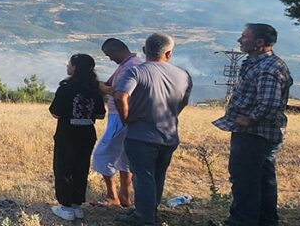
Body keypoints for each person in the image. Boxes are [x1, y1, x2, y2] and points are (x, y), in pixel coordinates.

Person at [213, 23, 293, 226]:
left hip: (254, 134)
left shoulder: (268, 67)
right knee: (263, 179)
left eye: (244, 37)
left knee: (244, 179)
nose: (240, 40)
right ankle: (265, 221)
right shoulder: (259, 63)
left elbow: (270, 102)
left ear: (259, 42)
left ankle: (242, 220)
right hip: (258, 134)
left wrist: (250, 119)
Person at [114, 33, 193, 226]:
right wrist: (171, 115)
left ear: (144, 50)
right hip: (169, 135)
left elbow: (120, 96)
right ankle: (149, 212)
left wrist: (126, 118)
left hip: (141, 135)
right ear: (169, 53)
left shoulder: (136, 72)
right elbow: (184, 101)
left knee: (143, 177)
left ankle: (144, 218)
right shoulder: (183, 75)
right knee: (158, 176)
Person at [49, 54, 106, 222]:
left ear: (75, 67)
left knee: (63, 168)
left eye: (70, 64)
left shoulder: (66, 87)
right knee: (81, 168)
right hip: (87, 133)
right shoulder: (94, 88)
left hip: (67, 133)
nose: (67, 66)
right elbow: (101, 114)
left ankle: (65, 207)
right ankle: (77, 205)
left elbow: (55, 112)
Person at [93, 38, 142, 207]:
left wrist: (103, 87)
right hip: (123, 115)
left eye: (109, 55)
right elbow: (109, 85)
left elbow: (115, 91)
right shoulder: (127, 65)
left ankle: (112, 195)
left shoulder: (130, 66)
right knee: (124, 157)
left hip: (120, 115)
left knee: (102, 154)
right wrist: (105, 87)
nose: (110, 58)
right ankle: (124, 196)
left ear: (116, 50)